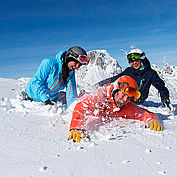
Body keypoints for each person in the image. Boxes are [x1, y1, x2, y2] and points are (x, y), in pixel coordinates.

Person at [68, 76, 163, 143]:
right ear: (116, 90)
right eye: (124, 94)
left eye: (129, 97)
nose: (125, 100)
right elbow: (82, 106)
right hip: (79, 98)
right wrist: (77, 127)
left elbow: (143, 113)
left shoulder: (125, 106)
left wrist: (152, 120)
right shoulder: (101, 95)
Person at [97, 48, 174, 112]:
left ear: (142, 60)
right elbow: (114, 79)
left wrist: (165, 99)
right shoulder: (128, 71)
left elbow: (161, 87)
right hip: (125, 97)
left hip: (138, 99)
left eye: (136, 60)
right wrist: (98, 85)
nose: (134, 63)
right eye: (132, 61)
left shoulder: (150, 73)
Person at [25, 46, 90, 106]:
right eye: (76, 63)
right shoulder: (49, 63)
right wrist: (45, 99)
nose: (77, 67)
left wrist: (72, 108)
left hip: (51, 98)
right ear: (69, 58)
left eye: (80, 65)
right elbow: (37, 82)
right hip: (34, 96)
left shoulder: (70, 72)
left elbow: (71, 93)